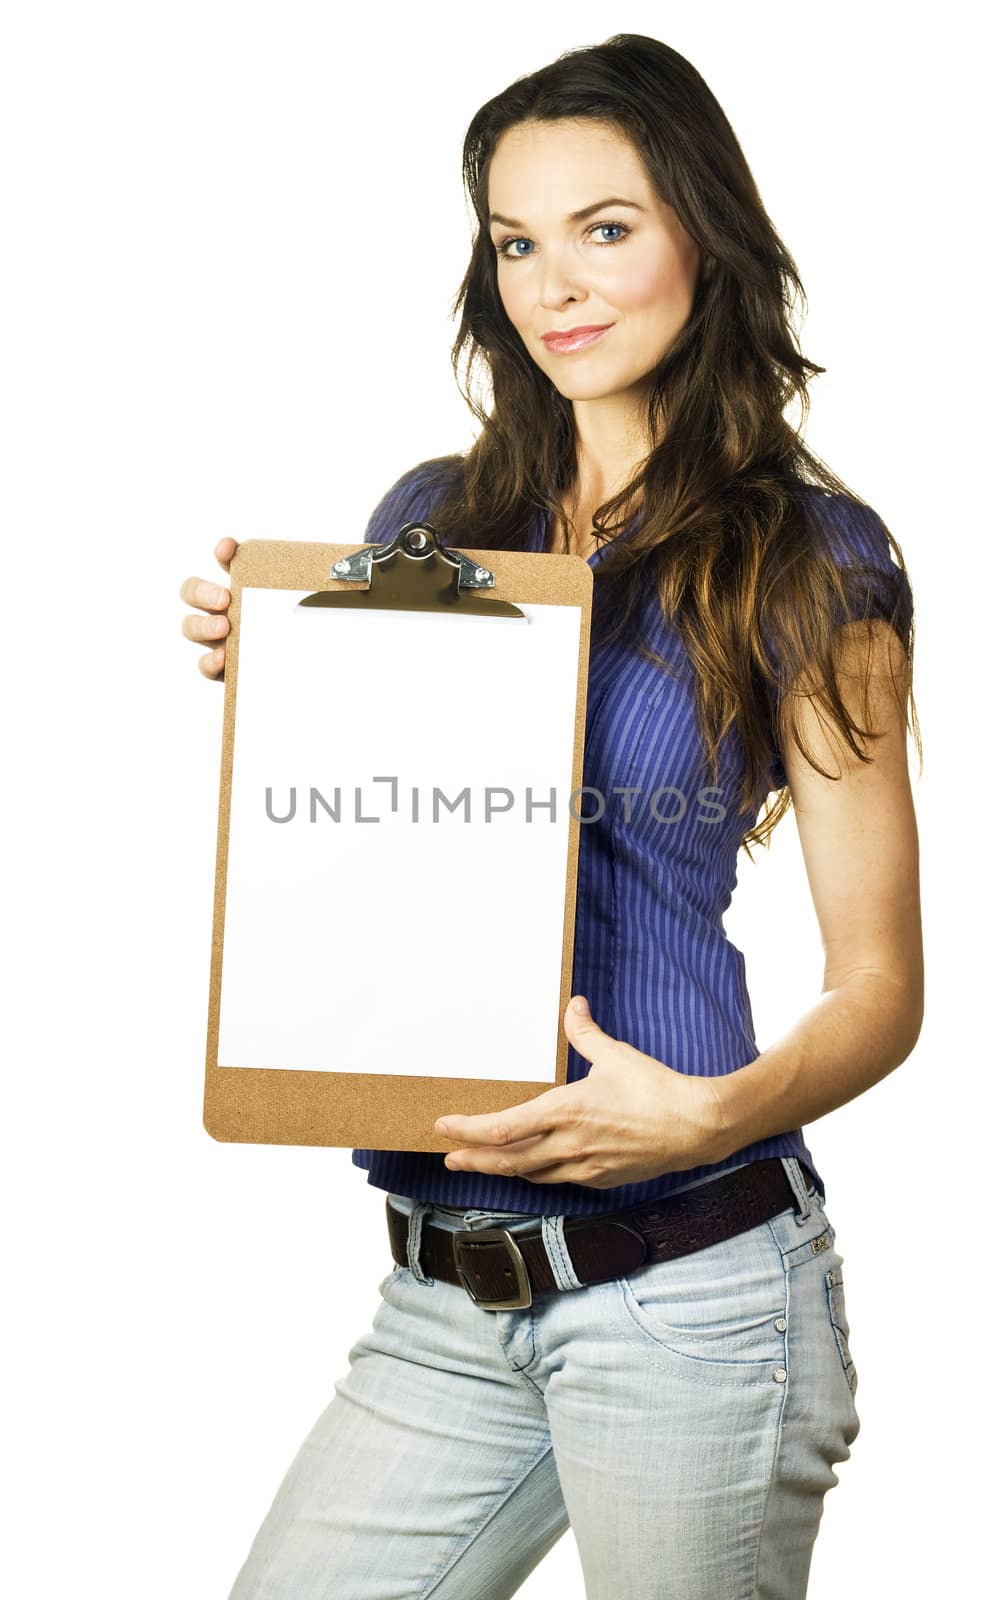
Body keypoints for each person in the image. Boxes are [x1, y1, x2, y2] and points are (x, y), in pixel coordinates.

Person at [179, 33, 923, 1600]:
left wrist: (720, 1111)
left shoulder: (811, 562)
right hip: (447, 1297)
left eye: (606, 227)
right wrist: (287, 672)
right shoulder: (435, 524)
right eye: (517, 241)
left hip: (691, 1290)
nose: (553, 285)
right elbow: (383, 852)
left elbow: (881, 985)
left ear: (702, 240)